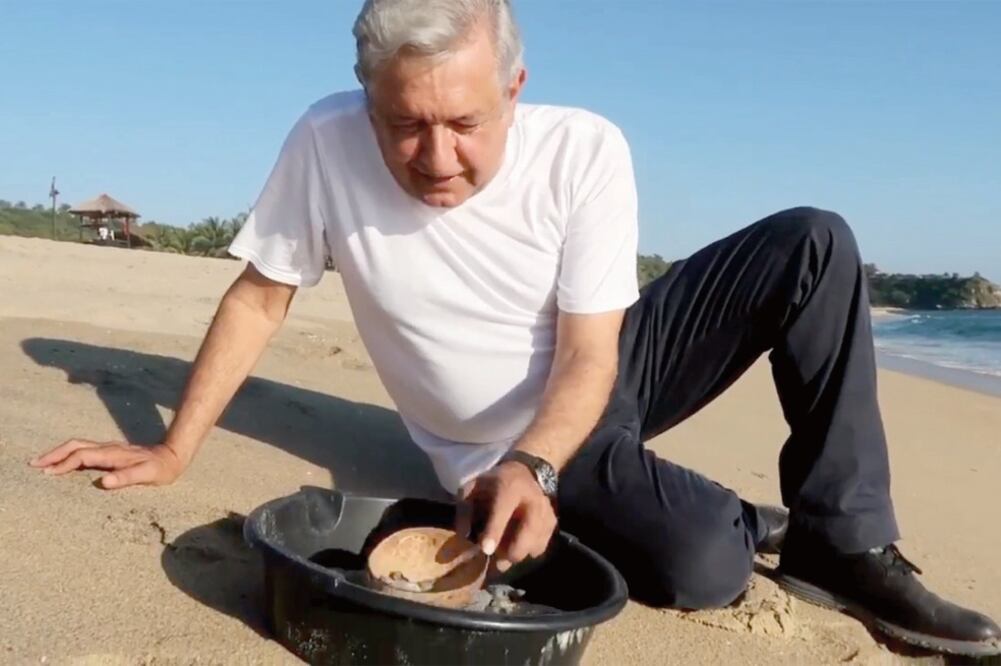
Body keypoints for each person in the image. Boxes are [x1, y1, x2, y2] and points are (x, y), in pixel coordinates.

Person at [31, 0, 999, 657]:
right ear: (366, 102)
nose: (435, 157)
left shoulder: (583, 150)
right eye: (403, 126)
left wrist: (539, 465)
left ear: (515, 87)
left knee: (812, 244)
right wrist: (172, 444)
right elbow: (259, 295)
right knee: (706, 565)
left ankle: (842, 541)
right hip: (490, 441)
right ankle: (749, 523)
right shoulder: (323, 144)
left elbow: (590, 352)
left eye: (462, 122)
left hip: (584, 385)